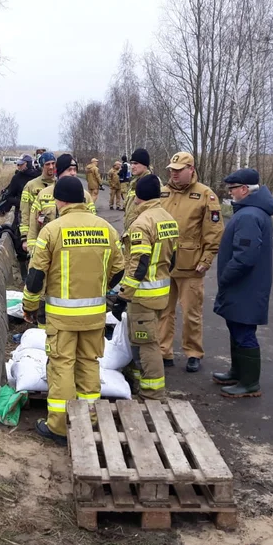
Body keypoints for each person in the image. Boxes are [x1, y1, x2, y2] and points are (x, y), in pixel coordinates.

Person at [23, 176, 125, 445]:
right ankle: (90, 419)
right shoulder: (106, 229)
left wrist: (30, 307)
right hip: (94, 315)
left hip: (61, 318)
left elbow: (35, 277)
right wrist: (100, 290)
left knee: (62, 366)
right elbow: (119, 271)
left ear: (60, 200)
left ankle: (59, 427)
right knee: (89, 364)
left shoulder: (52, 231)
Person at [112, 175, 178, 400]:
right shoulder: (168, 218)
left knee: (147, 344)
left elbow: (138, 264)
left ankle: (152, 393)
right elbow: (174, 258)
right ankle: (142, 382)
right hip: (161, 292)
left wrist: (123, 296)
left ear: (138, 195)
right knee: (145, 339)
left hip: (143, 295)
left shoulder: (142, 223)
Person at [212, 168, 273, 398]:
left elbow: (245, 256)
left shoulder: (249, 215)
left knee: (244, 331)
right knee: (236, 327)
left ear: (245, 190)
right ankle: (237, 372)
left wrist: (226, 276)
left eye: (233, 189)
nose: (231, 193)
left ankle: (249, 383)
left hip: (244, 285)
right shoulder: (252, 212)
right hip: (245, 285)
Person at [159, 152, 223, 373]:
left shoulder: (205, 195)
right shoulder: (162, 193)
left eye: (178, 170)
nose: (174, 174)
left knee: (191, 313)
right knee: (163, 312)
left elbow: (213, 232)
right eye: (172, 170)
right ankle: (163, 351)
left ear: (191, 170)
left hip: (191, 265)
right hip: (165, 264)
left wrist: (207, 259)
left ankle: (193, 352)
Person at [26, 154, 97, 253]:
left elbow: (94, 225)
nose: (73, 173)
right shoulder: (43, 195)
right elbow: (33, 230)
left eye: (74, 170)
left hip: (77, 253)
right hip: (48, 254)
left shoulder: (86, 196)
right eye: (69, 170)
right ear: (58, 172)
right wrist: (33, 254)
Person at [19, 151, 56, 253]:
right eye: (47, 164)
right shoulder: (31, 186)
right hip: (36, 234)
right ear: (42, 166)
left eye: (53, 163)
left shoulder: (60, 185)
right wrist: (25, 237)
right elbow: (24, 212)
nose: (51, 167)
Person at [1, 155, 41, 233]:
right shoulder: (16, 178)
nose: (18, 167)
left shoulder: (39, 176)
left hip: (39, 214)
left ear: (28, 164)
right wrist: (22, 203)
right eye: (18, 164)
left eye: (21, 164)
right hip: (22, 214)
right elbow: (9, 197)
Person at [123, 148, 153, 230]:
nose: (132, 167)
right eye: (131, 163)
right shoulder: (134, 182)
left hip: (142, 230)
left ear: (145, 165)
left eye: (136, 163)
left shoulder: (152, 183)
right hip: (131, 229)